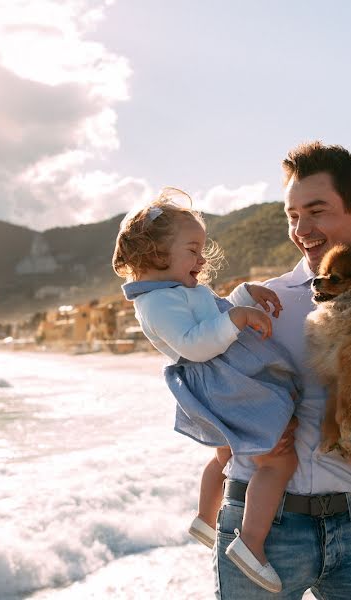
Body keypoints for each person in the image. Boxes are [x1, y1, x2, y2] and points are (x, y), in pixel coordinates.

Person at [214, 141, 351, 599]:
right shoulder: (256, 302)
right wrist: (250, 422)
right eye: (292, 215)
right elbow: (197, 391)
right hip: (262, 528)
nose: (302, 229)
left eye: (317, 211)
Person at [113, 188, 302, 593]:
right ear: (156, 254)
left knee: (226, 452)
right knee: (278, 458)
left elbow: (215, 311)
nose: (202, 260)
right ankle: (250, 544)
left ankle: (204, 518)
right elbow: (196, 343)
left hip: (224, 377)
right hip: (221, 381)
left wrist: (245, 295)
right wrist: (237, 316)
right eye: (193, 250)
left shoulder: (176, 290)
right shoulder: (156, 304)